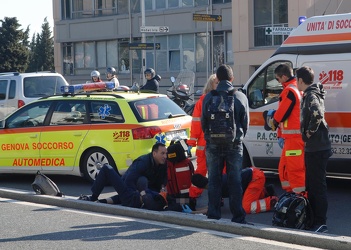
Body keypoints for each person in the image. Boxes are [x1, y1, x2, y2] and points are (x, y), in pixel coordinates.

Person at [201, 64, 249, 224]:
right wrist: (238, 137)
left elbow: (203, 123)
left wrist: (210, 137)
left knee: (214, 180)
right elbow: (245, 122)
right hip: (234, 145)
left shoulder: (209, 97)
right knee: (234, 180)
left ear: (217, 79)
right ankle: (238, 217)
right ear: (232, 79)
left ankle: (214, 215)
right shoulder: (240, 96)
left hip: (213, 145)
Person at [78, 143, 169, 210]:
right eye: (162, 153)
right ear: (154, 153)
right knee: (107, 168)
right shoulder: (143, 162)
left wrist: (161, 190)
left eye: (166, 153)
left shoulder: (163, 165)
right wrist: (135, 196)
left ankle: (101, 202)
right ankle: (93, 197)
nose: (165, 156)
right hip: (129, 189)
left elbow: (161, 182)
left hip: (141, 192)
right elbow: (128, 180)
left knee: (143, 188)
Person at [296, 66, 332, 233]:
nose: (296, 83)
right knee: (312, 185)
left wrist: (309, 133)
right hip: (315, 148)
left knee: (317, 186)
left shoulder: (310, 95)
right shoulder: (310, 93)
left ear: (301, 81)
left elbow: (317, 114)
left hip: (317, 148)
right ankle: (313, 220)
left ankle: (321, 222)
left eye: (297, 80)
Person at [271, 63, 306, 193]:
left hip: (294, 139)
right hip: (292, 138)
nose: (278, 82)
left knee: (294, 170)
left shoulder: (290, 91)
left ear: (284, 76)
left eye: (278, 79)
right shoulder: (297, 87)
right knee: (285, 168)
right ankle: (291, 194)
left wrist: (273, 121)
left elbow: (281, 114)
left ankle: (300, 198)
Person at [187, 74, 218, 210]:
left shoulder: (206, 100)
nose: (218, 84)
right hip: (205, 144)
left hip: (209, 143)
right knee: (201, 172)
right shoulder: (205, 100)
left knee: (216, 172)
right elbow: (196, 124)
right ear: (210, 84)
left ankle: (217, 197)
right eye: (216, 82)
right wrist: (192, 142)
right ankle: (192, 196)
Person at [191, 166, 278, 214]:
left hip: (255, 178)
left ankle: (271, 202)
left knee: (246, 208)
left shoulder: (215, 188)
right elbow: (213, 205)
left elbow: (211, 209)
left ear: (200, 187)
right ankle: (265, 192)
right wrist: (195, 210)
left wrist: (192, 213)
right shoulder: (214, 180)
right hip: (252, 174)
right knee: (245, 198)